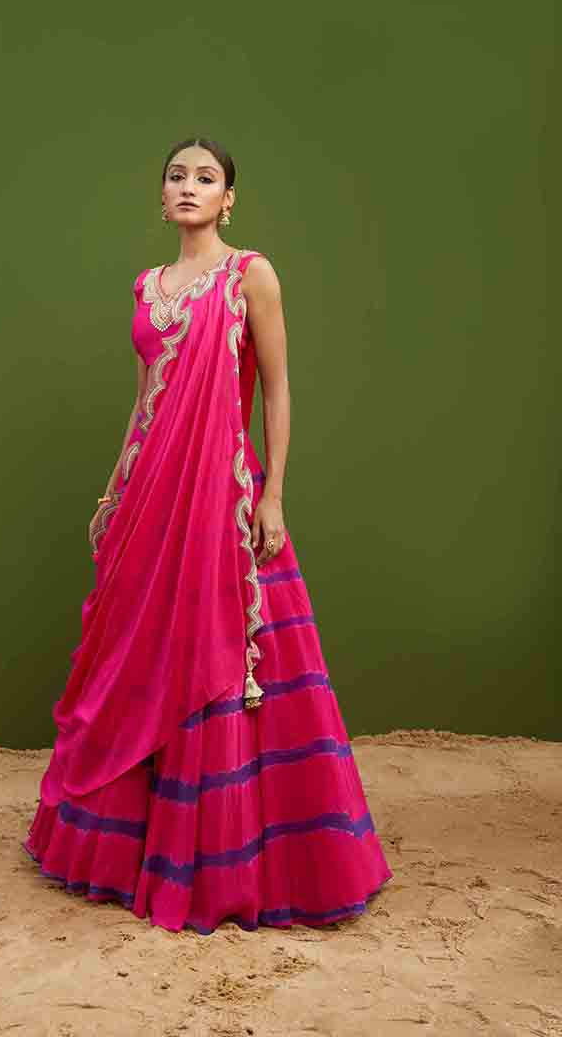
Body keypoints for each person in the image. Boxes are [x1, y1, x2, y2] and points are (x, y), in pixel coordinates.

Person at [22, 136, 393, 933]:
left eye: (206, 177)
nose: (189, 186)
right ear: (162, 199)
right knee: (138, 653)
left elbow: (277, 389)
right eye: (176, 176)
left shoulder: (250, 274)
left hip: (220, 494)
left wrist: (274, 496)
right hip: (151, 497)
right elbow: (147, 399)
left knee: (226, 656)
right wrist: (114, 489)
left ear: (229, 200)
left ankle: (228, 860)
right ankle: (129, 851)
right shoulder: (147, 286)